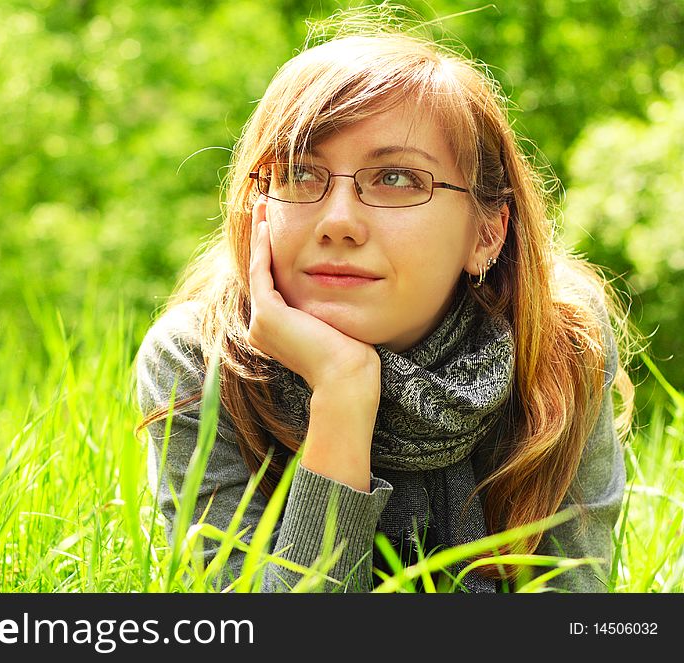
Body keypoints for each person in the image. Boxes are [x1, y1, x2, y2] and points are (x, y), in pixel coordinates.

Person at [135, 10, 633, 593]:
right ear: (258, 206)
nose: (338, 222)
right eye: (299, 172)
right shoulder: (200, 359)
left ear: (487, 233)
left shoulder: (559, 337)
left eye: (396, 178)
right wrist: (343, 394)